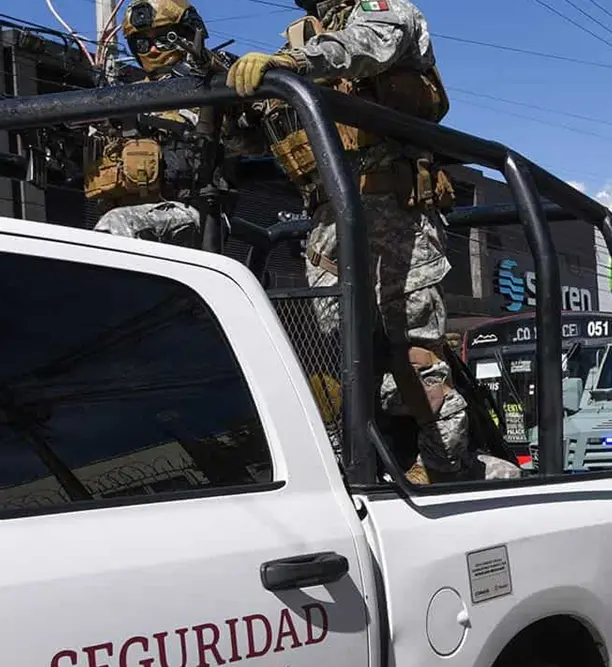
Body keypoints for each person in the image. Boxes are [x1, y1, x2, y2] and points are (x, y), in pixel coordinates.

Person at [225, 0, 520, 484]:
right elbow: (260, 137)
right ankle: (364, 461)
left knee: (417, 356)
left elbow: (365, 47)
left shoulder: (386, 12)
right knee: (347, 360)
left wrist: (293, 65)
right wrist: (239, 101)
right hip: (329, 224)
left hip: (396, 217)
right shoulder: (301, 41)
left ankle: (447, 468)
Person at [87, 0, 231, 246]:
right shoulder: (126, 98)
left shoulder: (210, 88)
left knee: (115, 226)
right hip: (134, 213)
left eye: (165, 40)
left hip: (192, 211)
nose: (153, 50)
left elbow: (238, 134)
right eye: (143, 43)